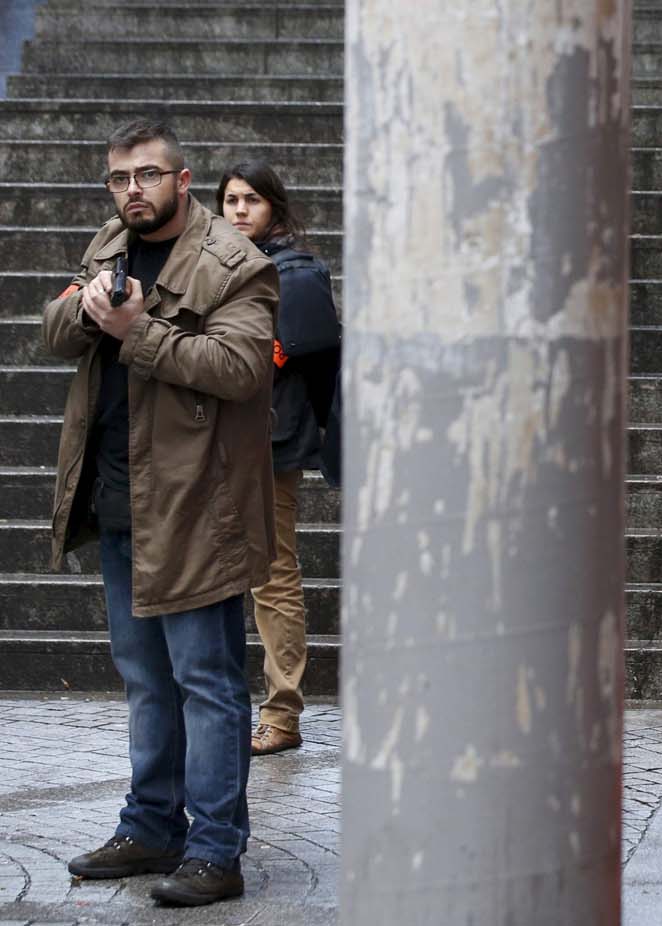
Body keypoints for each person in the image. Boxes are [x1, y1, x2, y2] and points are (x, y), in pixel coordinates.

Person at [43, 120, 277, 905]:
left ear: (183, 180)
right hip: (119, 496)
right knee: (144, 676)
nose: (131, 190)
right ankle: (151, 825)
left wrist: (136, 330)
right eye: (119, 178)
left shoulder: (234, 263)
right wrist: (87, 312)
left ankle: (215, 850)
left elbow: (241, 370)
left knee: (206, 682)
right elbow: (53, 332)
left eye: (147, 175)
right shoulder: (109, 245)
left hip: (198, 506)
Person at [218, 161, 341, 757]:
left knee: (272, 574)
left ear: (275, 208)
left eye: (253, 201)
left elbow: (264, 359)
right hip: (209, 439)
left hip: (270, 441)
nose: (240, 210)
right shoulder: (213, 265)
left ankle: (282, 711)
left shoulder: (294, 275)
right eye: (232, 200)